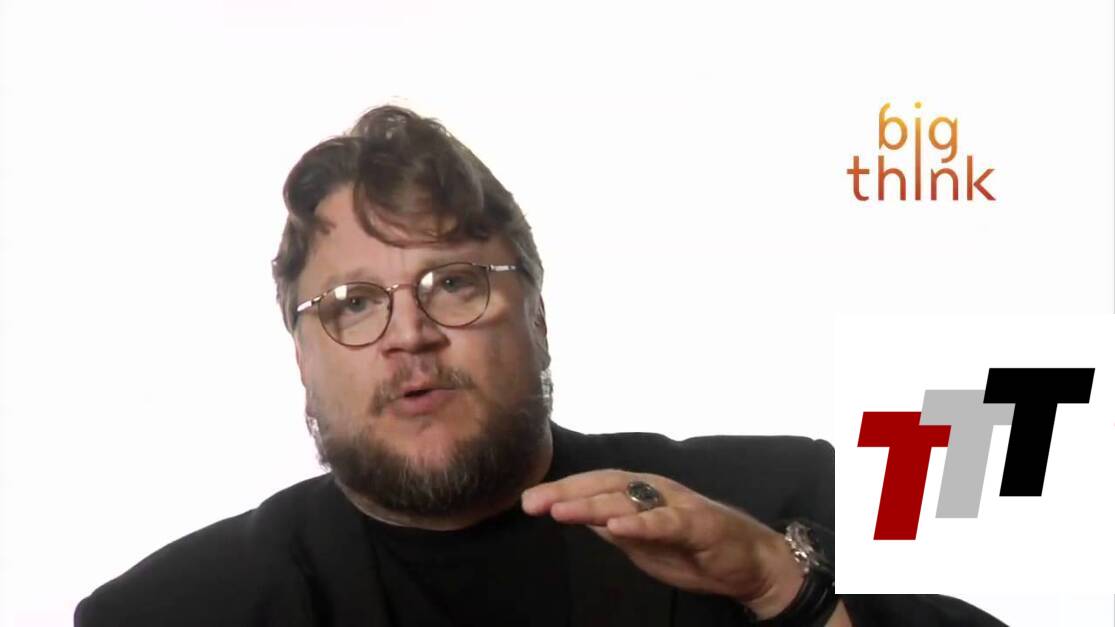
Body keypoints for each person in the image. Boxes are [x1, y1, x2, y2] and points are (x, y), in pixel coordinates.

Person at [74, 105, 1005, 626]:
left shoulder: (790, 497)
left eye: (453, 283)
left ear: (538, 316)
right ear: (301, 355)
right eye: (353, 303)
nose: (409, 334)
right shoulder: (166, 614)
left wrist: (781, 588)